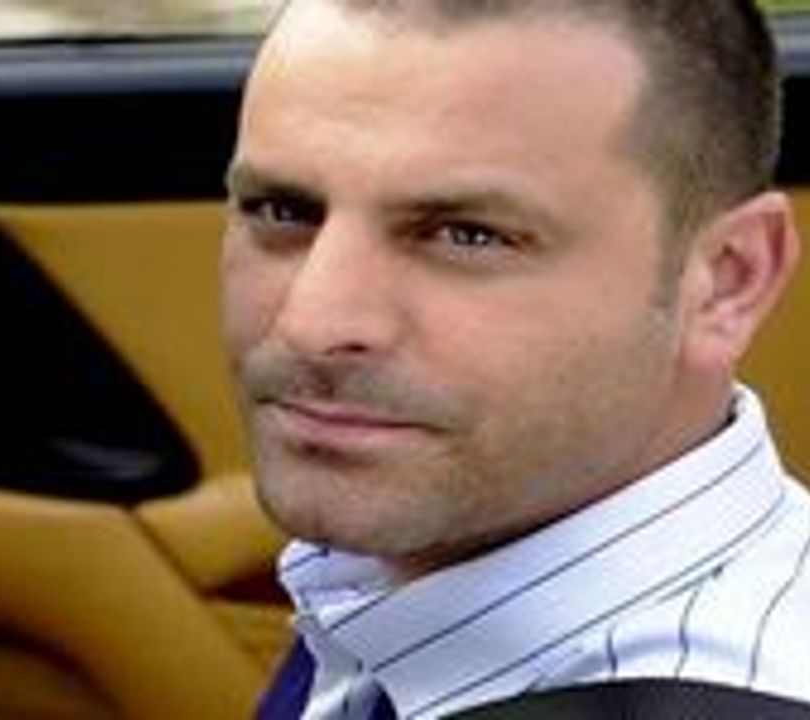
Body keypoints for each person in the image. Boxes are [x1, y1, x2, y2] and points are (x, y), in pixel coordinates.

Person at [220, 0, 807, 717]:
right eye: (280, 211)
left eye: (467, 235)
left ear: (727, 280)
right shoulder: (413, 585)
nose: (311, 323)